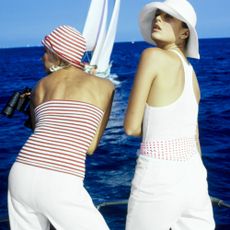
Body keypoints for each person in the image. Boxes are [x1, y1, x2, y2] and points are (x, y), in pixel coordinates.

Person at [8, 25, 114, 230]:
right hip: (60, 179)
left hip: (21, 173)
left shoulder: (40, 86)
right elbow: (90, 147)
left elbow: (42, 131)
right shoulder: (106, 86)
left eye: (45, 52)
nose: (42, 58)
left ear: (57, 55)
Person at [124, 0, 215, 229]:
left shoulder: (152, 56)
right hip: (194, 176)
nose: (158, 19)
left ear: (185, 33)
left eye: (168, 17)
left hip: (159, 175)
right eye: (157, 15)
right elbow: (194, 136)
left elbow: (131, 127)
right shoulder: (192, 75)